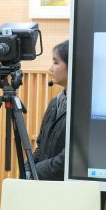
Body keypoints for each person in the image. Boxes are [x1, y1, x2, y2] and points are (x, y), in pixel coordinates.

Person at [31, 40, 69, 180]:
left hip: (72, 193)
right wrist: (28, 167)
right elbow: (41, 146)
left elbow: (68, 160)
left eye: (56, 62)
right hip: (47, 186)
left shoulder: (84, 109)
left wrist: (35, 171)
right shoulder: (54, 103)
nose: (50, 68)